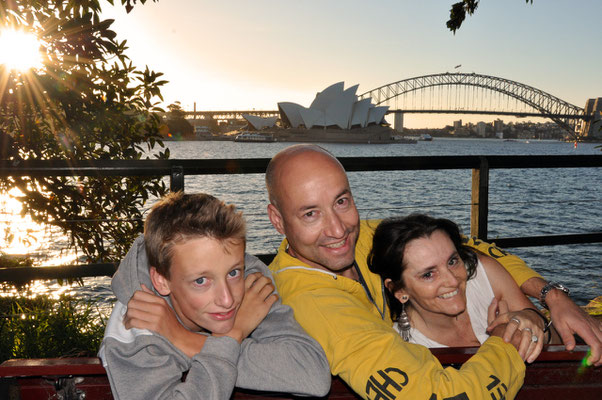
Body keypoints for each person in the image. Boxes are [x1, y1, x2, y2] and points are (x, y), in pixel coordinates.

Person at [265, 144, 602, 400]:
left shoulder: (362, 237)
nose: (338, 230)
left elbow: (468, 246)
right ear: (277, 220)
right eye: (310, 214)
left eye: (342, 202)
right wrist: (507, 341)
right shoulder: (312, 305)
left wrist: (551, 295)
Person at [98, 191, 331, 400]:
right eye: (201, 281)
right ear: (161, 280)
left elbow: (313, 375)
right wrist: (233, 336)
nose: (227, 299)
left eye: (233, 272)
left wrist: (184, 339)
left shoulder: (248, 278)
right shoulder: (138, 323)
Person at [368, 214, 559, 363]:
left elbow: (560, 347)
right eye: (428, 274)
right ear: (400, 291)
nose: (452, 280)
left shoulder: (484, 277)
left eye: (452, 261)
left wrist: (536, 322)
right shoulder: (404, 350)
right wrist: (500, 344)